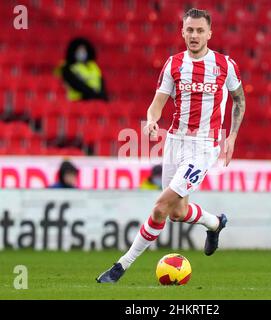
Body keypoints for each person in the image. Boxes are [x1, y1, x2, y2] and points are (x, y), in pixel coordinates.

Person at [96, 8, 245, 283]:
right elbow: (156, 106)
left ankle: (120, 267)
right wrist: (151, 121)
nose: (195, 35)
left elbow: (239, 99)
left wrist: (232, 135)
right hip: (175, 142)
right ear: (182, 32)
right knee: (176, 212)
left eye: (200, 30)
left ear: (210, 33)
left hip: (204, 147)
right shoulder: (174, 64)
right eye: (190, 30)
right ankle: (214, 224)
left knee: (160, 207)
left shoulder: (225, 65)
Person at [55, 37, 108, 101]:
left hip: (95, 99)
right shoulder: (67, 66)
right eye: (79, 50)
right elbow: (76, 84)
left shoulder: (94, 66)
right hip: (78, 100)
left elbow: (101, 82)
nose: (82, 52)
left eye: (84, 50)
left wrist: (101, 95)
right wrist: (94, 94)